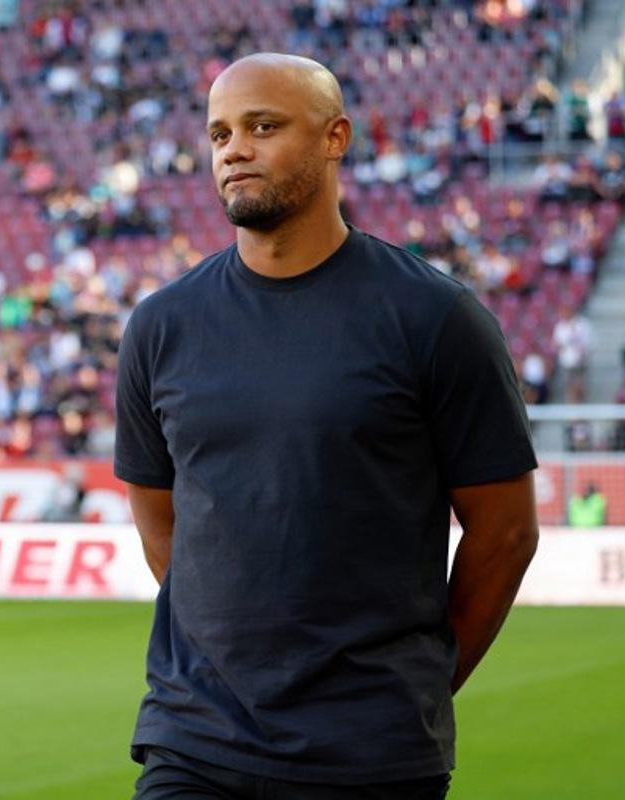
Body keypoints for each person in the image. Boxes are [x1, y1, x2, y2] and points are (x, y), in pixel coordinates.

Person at [114, 53, 540, 799]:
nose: (233, 149)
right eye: (218, 134)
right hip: (193, 742)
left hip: (371, 754)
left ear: (335, 137)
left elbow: (505, 532)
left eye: (263, 126)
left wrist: (417, 685)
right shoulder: (161, 326)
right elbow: (158, 520)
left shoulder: (435, 319)